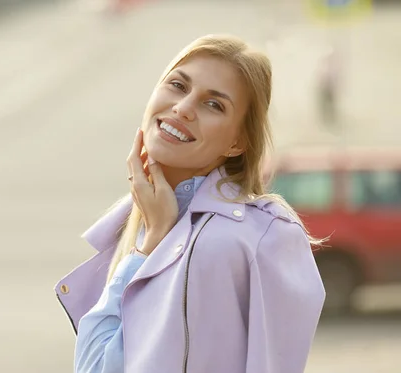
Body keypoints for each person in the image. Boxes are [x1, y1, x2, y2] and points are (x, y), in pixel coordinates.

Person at [55, 34, 326, 373]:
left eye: (214, 105)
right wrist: (151, 241)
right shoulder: (138, 221)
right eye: (178, 85)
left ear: (238, 142)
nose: (183, 108)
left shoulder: (260, 237)